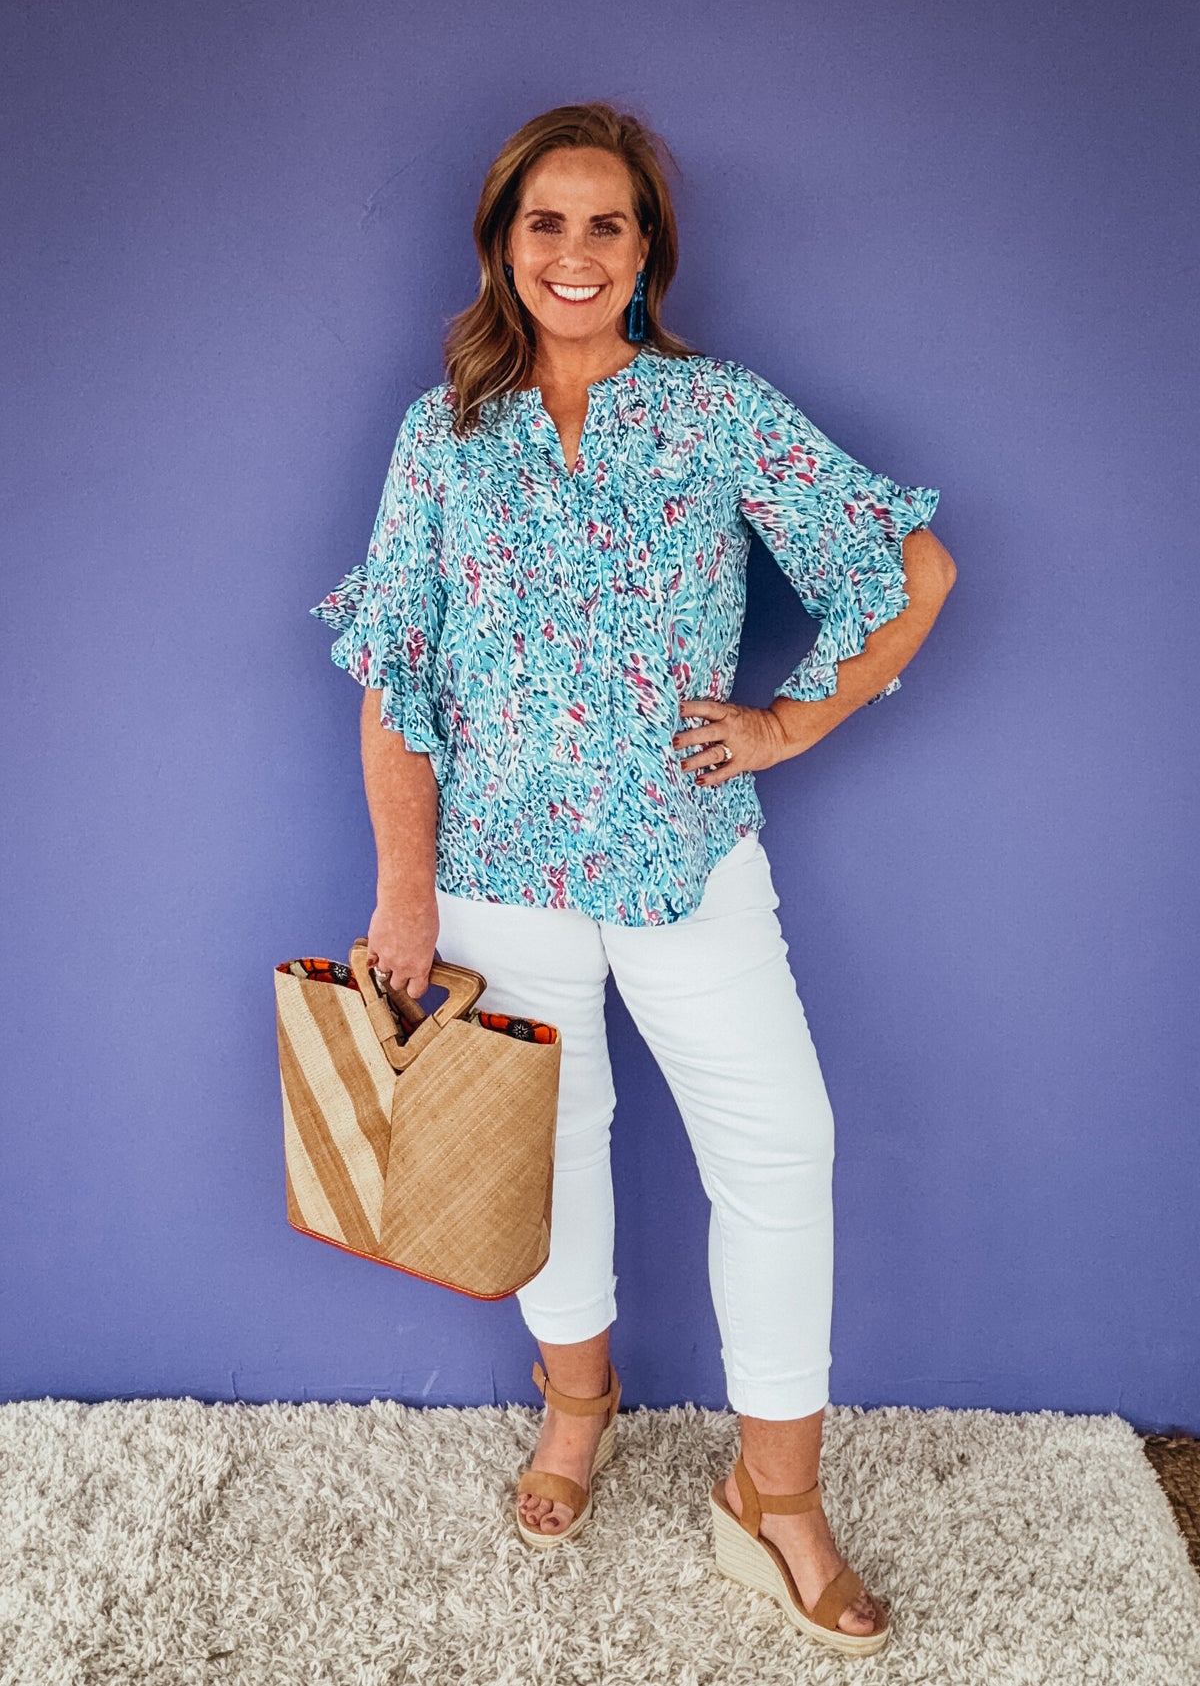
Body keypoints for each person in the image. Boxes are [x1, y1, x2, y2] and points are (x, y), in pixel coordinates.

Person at [311, 101, 956, 1658]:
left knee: (781, 1147)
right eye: (547, 222)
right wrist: (405, 893)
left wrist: (788, 722)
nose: (576, 252)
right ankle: (576, 1407)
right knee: (550, 1158)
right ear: (503, 244)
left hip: (687, 859)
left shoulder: (717, 412)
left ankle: (777, 1499)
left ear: (648, 248)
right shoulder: (441, 436)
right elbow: (397, 676)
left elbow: (911, 568)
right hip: (496, 875)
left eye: (607, 223)